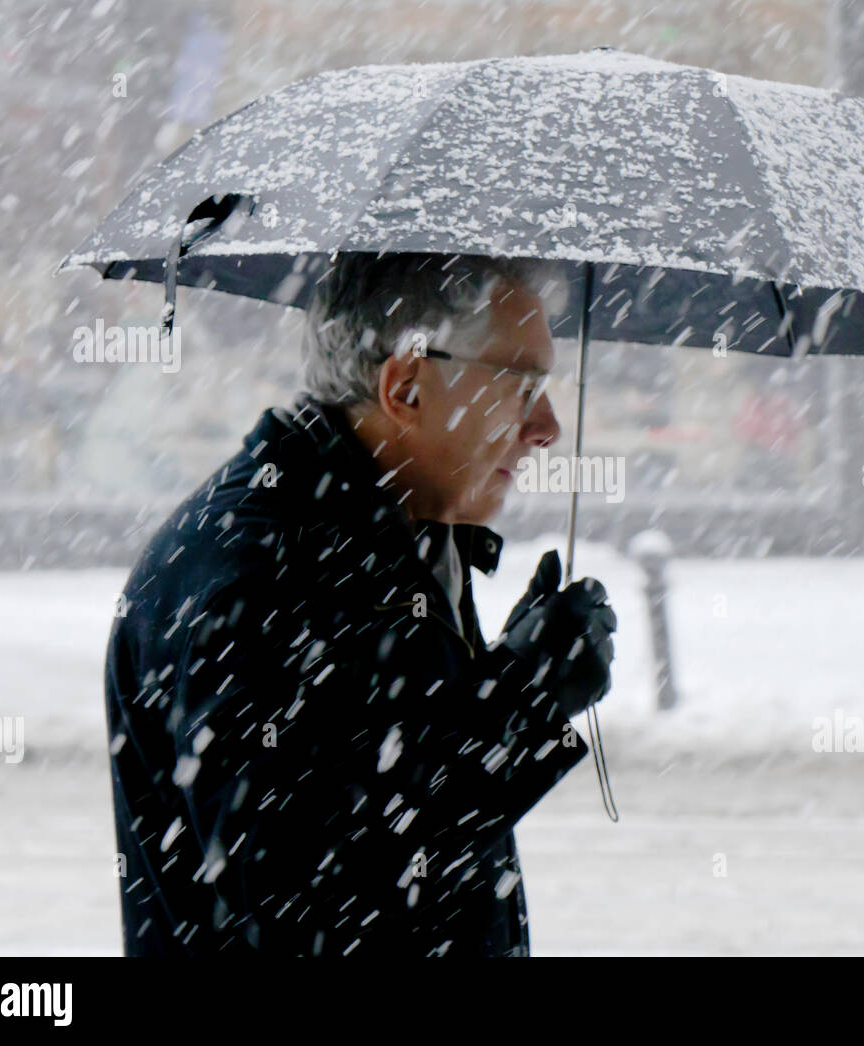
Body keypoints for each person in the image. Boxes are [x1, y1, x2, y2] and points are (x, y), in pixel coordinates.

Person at [103, 252, 617, 956]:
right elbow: (311, 912)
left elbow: (395, 805)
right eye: (521, 387)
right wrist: (521, 707)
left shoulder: (394, 538)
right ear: (406, 386)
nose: (548, 427)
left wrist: (502, 684)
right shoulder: (260, 574)